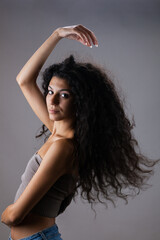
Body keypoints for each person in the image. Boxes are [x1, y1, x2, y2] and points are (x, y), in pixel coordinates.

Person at [1, 24, 159, 240]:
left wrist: (5, 214)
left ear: (81, 102)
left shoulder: (63, 148)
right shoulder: (58, 132)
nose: (52, 100)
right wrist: (57, 34)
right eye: (50, 91)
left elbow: (14, 217)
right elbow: (24, 80)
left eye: (64, 95)